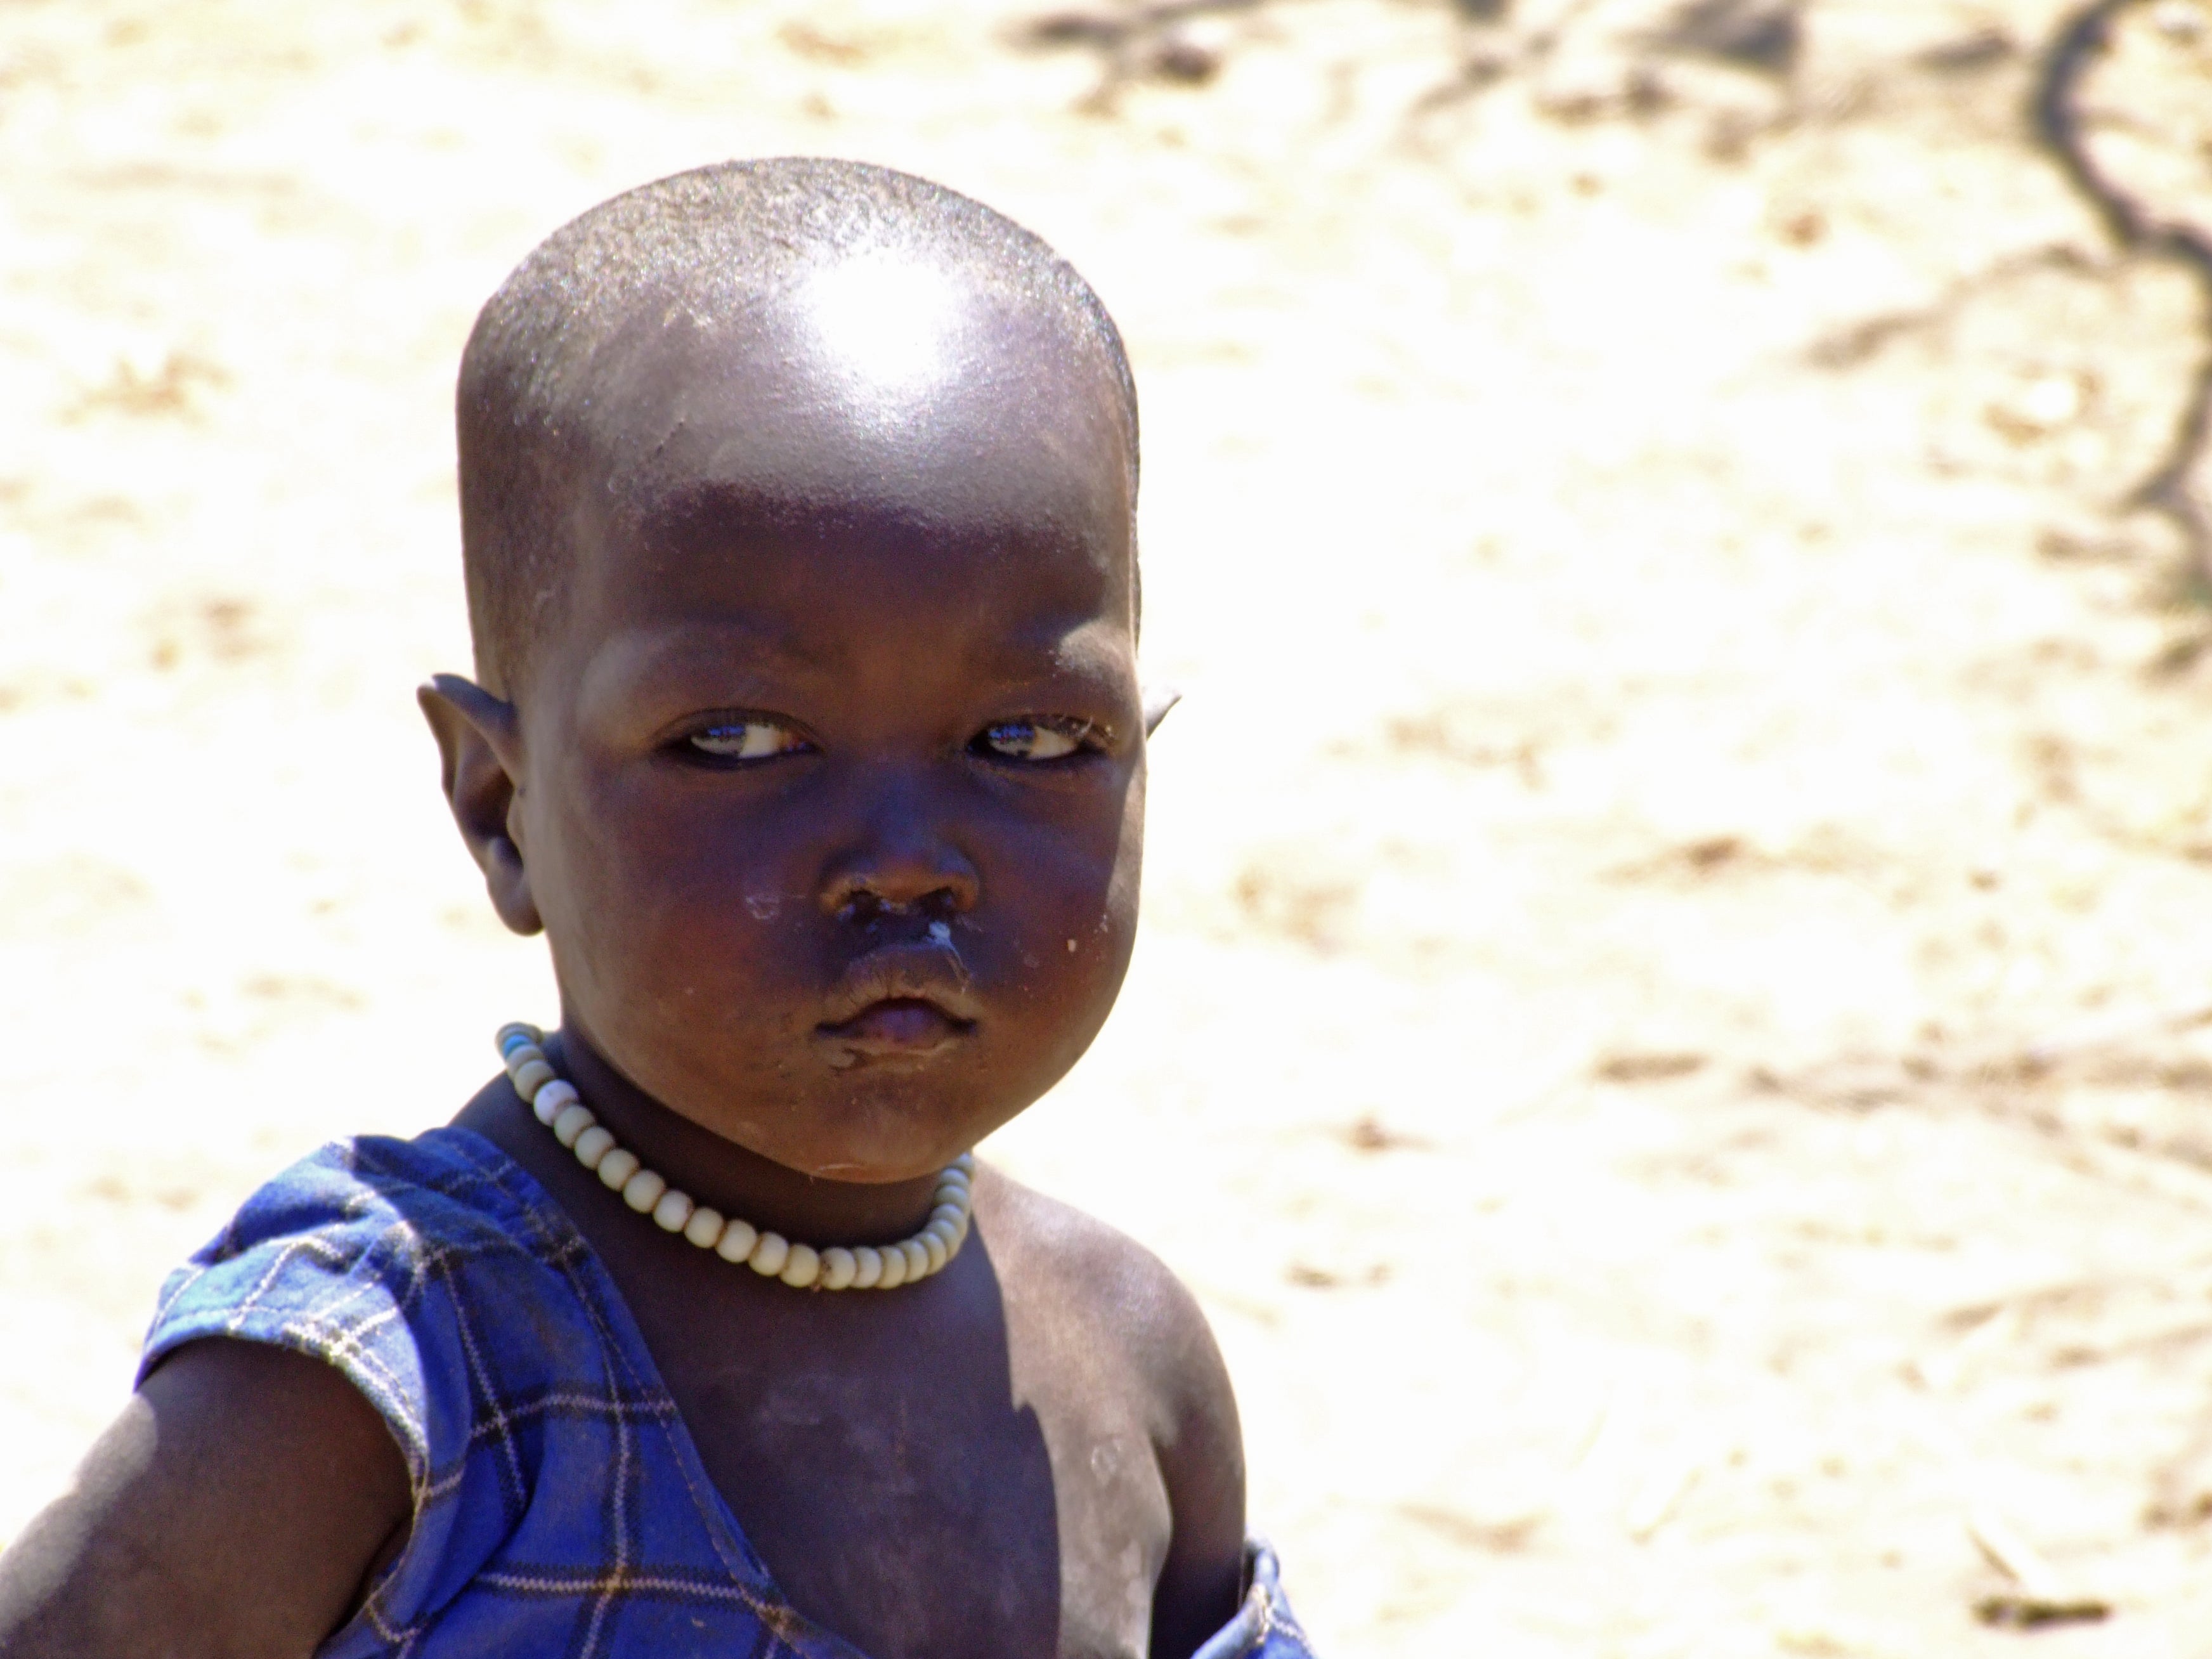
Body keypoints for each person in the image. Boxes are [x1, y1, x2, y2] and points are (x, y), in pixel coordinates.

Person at [0, 159, 1315, 1659]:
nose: (905, 860)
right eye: (740, 742)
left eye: (1029, 740)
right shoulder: (389, 1382)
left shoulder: (1128, 1371)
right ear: (501, 810)